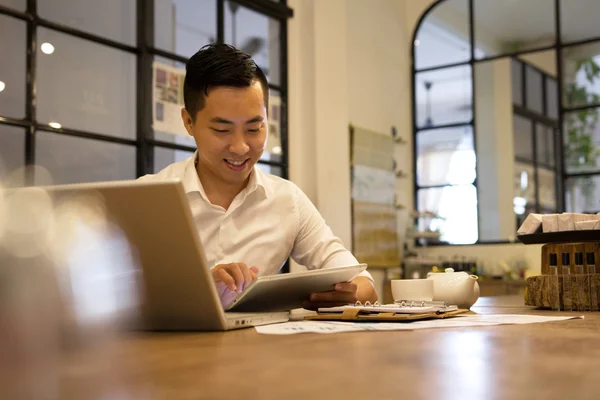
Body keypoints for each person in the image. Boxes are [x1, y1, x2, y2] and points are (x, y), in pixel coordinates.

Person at [139, 44, 376, 309]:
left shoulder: (287, 200)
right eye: (221, 129)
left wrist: (351, 293)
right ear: (188, 122)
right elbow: (98, 296)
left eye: (254, 128)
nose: (240, 147)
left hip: (258, 348)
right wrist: (199, 288)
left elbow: (361, 281)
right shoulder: (148, 198)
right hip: (169, 350)